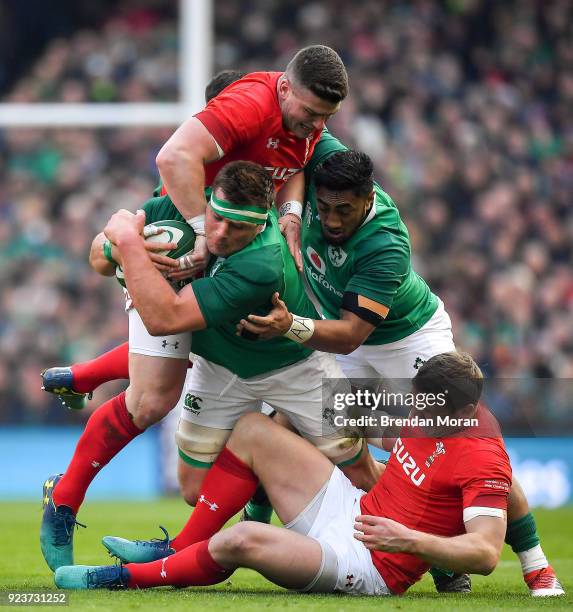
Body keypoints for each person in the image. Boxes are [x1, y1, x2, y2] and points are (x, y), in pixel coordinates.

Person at [237, 143, 564, 596]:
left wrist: (290, 325)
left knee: (471, 443)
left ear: (368, 199)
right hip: (342, 336)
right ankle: (252, 520)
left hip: (403, 340)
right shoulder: (325, 167)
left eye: (343, 211)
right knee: (289, 414)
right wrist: (292, 211)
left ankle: (535, 566)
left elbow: (351, 333)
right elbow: (303, 141)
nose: (331, 220)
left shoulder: (385, 242)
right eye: (324, 208)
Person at [41, 161, 378, 573]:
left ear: (260, 225)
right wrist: (114, 244)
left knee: (357, 465)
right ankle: (253, 495)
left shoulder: (262, 262)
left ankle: (436, 552)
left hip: (296, 367)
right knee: (193, 489)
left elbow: (166, 321)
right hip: (219, 369)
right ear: (207, 203)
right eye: (216, 219)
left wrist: (129, 249)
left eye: (237, 228)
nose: (220, 234)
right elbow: (97, 257)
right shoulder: (179, 208)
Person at [53, 352, 536, 598]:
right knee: (251, 427)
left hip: (371, 564)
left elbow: (485, 552)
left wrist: (409, 540)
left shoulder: (484, 458)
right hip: (352, 506)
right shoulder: (424, 403)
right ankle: (185, 547)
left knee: (239, 541)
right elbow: (329, 409)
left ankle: (120, 579)